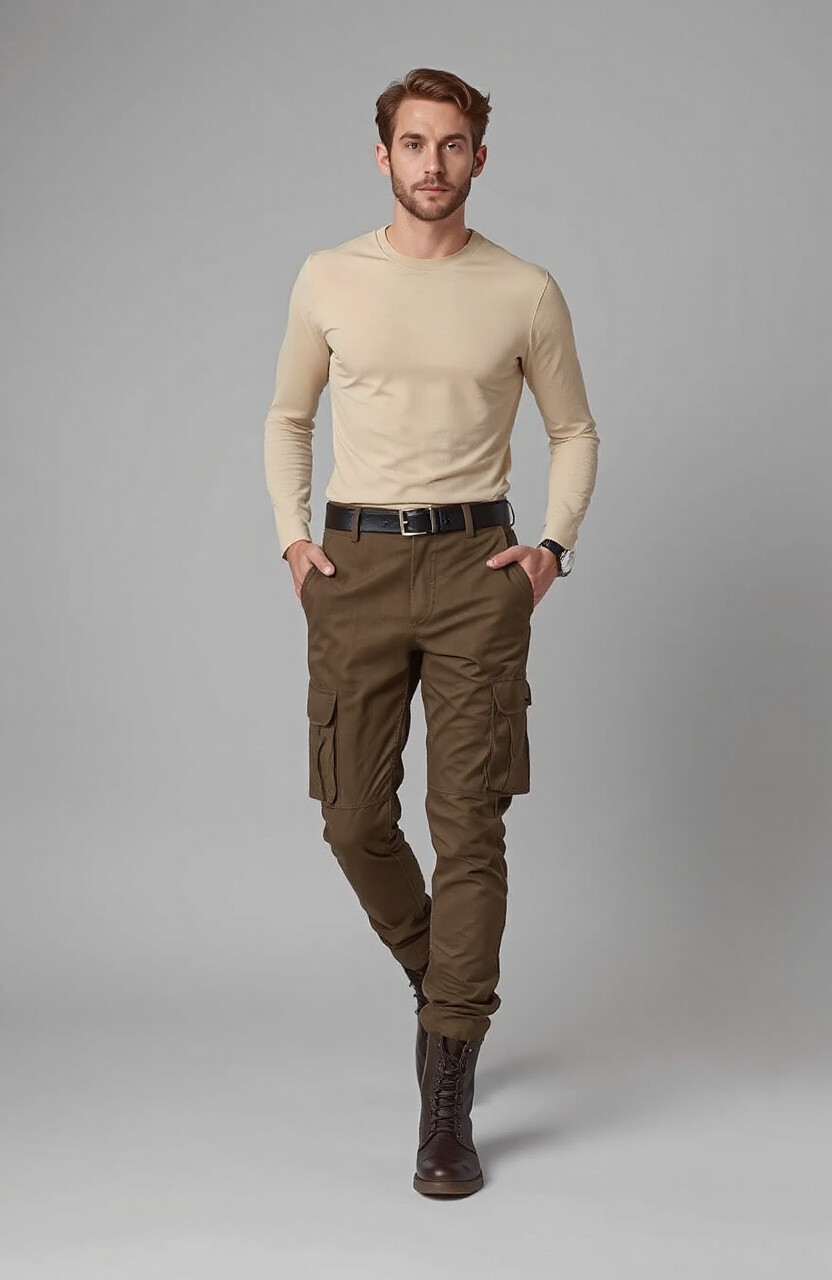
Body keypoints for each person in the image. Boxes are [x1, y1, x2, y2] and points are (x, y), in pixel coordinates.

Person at [263, 66, 599, 1197]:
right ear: (384, 156)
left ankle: (446, 1095)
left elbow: (575, 429)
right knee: (353, 816)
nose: (433, 164)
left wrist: (549, 548)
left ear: (478, 158)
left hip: (474, 569)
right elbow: (289, 416)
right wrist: (292, 539)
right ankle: (437, 973)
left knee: (470, 825)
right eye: (414, 144)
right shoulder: (327, 277)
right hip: (353, 564)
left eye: (453, 145)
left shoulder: (524, 289)